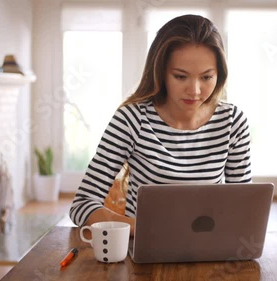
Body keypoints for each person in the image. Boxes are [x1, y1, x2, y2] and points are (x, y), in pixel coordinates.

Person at [69, 14, 252, 235]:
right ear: (161, 73)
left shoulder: (233, 122)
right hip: (145, 253)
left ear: (219, 75)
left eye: (206, 77)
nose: (194, 91)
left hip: (209, 252)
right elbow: (82, 205)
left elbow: (246, 208)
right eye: (180, 76)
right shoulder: (131, 119)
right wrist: (142, 229)